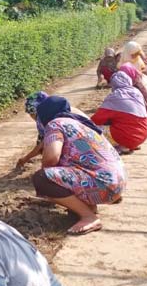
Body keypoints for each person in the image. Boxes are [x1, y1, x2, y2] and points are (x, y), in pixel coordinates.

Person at [32, 96, 126, 235]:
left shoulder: (55, 124)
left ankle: (89, 217)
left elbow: (52, 157)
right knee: (63, 174)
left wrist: (47, 182)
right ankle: (90, 206)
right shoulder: (79, 123)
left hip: (104, 183)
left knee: (42, 178)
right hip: (117, 182)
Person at [16, 92, 89, 169]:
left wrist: (25, 159)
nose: (32, 117)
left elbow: (43, 145)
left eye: (31, 114)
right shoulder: (63, 110)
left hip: (83, 155)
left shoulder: (52, 123)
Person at [92, 70, 147, 154]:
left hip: (126, 137)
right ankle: (131, 145)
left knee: (93, 129)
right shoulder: (136, 92)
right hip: (143, 134)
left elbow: (96, 120)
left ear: (113, 83)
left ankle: (123, 146)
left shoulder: (115, 96)